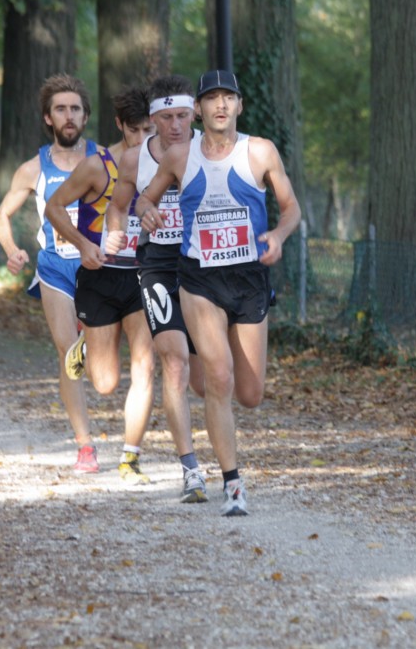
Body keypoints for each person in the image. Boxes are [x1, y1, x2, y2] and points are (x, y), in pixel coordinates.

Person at [128, 70, 301, 516]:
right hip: (199, 279)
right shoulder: (181, 157)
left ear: (240, 106)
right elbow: (145, 199)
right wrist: (147, 214)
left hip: (248, 278)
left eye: (229, 98)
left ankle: (219, 412)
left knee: (250, 392)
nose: (220, 105)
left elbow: (291, 208)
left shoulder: (259, 151)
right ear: (200, 110)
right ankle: (233, 485)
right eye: (212, 99)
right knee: (219, 378)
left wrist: (278, 236)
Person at [0, 73, 105, 474]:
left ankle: (95, 346)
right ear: (48, 118)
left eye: (75, 108)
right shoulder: (32, 169)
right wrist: (12, 251)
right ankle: (85, 446)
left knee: (100, 368)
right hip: (55, 268)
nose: (69, 115)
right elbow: (2, 215)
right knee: (67, 352)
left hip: (99, 268)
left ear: (85, 117)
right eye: (61, 109)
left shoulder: (105, 160)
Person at [44, 86, 157, 485]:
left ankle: (130, 457)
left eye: (150, 130)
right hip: (100, 276)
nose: (144, 140)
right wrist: (83, 245)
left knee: (145, 364)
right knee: (105, 383)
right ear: (120, 126)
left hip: (144, 274)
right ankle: (88, 344)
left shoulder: (168, 163)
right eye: (136, 130)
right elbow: (54, 207)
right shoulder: (98, 165)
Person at [104, 74, 209, 504]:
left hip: (205, 265)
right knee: (175, 362)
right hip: (158, 264)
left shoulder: (213, 150)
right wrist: (116, 231)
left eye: (184, 115)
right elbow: (118, 205)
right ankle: (190, 471)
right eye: (166, 117)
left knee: (213, 381)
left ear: (195, 114)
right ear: (152, 118)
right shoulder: (134, 160)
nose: (176, 125)